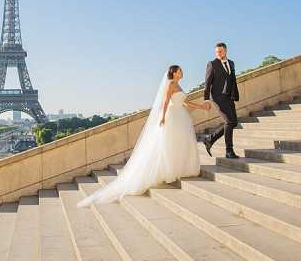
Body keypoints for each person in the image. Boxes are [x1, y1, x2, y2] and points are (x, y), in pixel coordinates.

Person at [77, 65, 204, 207]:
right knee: (171, 143)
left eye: (181, 70)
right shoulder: (170, 85)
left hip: (181, 116)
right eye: (179, 70)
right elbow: (165, 102)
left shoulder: (178, 85)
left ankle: (180, 167)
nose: (181, 72)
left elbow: (184, 102)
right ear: (173, 73)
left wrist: (201, 107)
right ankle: (170, 170)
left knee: (180, 143)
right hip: (172, 117)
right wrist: (162, 118)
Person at [201, 42, 240, 159]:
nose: (219, 53)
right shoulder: (212, 64)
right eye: (217, 52)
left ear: (226, 51)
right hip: (217, 98)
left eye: (221, 51)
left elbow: (232, 79)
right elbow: (207, 83)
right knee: (229, 121)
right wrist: (206, 99)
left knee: (234, 122)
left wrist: (234, 94)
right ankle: (229, 151)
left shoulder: (231, 63)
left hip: (229, 97)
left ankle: (210, 139)